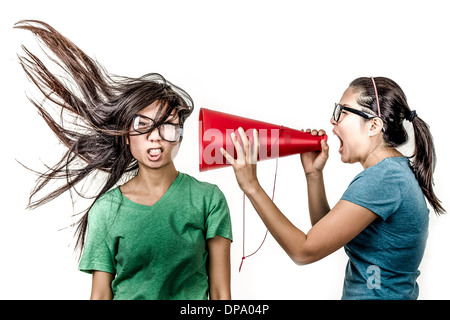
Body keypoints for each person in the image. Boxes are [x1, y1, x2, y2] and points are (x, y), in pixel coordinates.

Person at [15, 20, 232, 300]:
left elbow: (221, 294)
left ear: (179, 136)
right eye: (143, 125)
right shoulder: (106, 211)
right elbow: (101, 295)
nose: (155, 137)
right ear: (126, 136)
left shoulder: (208, 199)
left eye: (167, 126)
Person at [221, 76, 445, 299]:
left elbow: (304, 251)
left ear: (374, 125)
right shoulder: (393, 173)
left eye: (343, 112)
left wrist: (251, 186)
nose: (332, 120)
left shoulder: (383, 179)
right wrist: (313, 175)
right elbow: (327, 234)